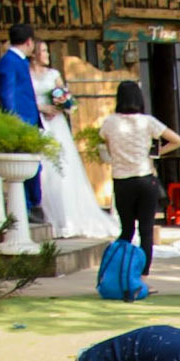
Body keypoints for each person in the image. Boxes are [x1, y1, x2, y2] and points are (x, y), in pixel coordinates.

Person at [31, 41, 118, 240]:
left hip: (56, 123)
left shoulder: (53, 75)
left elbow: (65, 97)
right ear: (34, 53)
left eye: (46, 50)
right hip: (39, 121)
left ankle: (68, 219)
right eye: (43, 51)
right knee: (45, 170)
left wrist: (62, 104)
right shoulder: (26, 74)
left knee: (62, 167)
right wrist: (42, 108)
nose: (46, 54)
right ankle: (48, 216)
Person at [98, 81, 180, 277]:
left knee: (127, 229)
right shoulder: (148, 121)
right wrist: (156, 152)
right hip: (145, 178)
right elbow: (178, 140)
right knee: (146, 230)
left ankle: (121, 270)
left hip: (122, 180)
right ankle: (142, 274)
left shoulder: (110, 123)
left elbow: (109, 147)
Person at [0, 23, 44, 220]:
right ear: (29, 42)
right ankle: (28, 206)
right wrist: (14, 122)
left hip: (29, 121)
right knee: (26, 167)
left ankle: (33, 205)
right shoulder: (9, 62)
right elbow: (7, 93)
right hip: (20, 123)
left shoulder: (19, 61)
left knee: (35, 165)